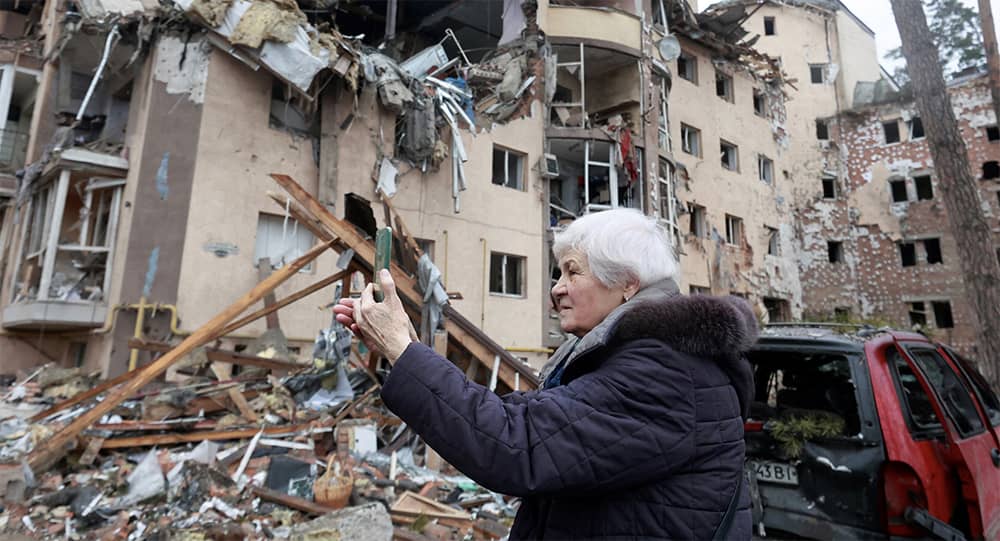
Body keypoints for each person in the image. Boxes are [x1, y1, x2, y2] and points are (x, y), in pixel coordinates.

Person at [333, 208, 756, 540]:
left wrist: (403, 352)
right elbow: (529, 422)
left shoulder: (662, 371)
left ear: (627, 283)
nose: (556, 288)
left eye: (573, 271)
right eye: (559, 273)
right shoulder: (644, 359)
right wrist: (411, 350)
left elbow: (519, 444)